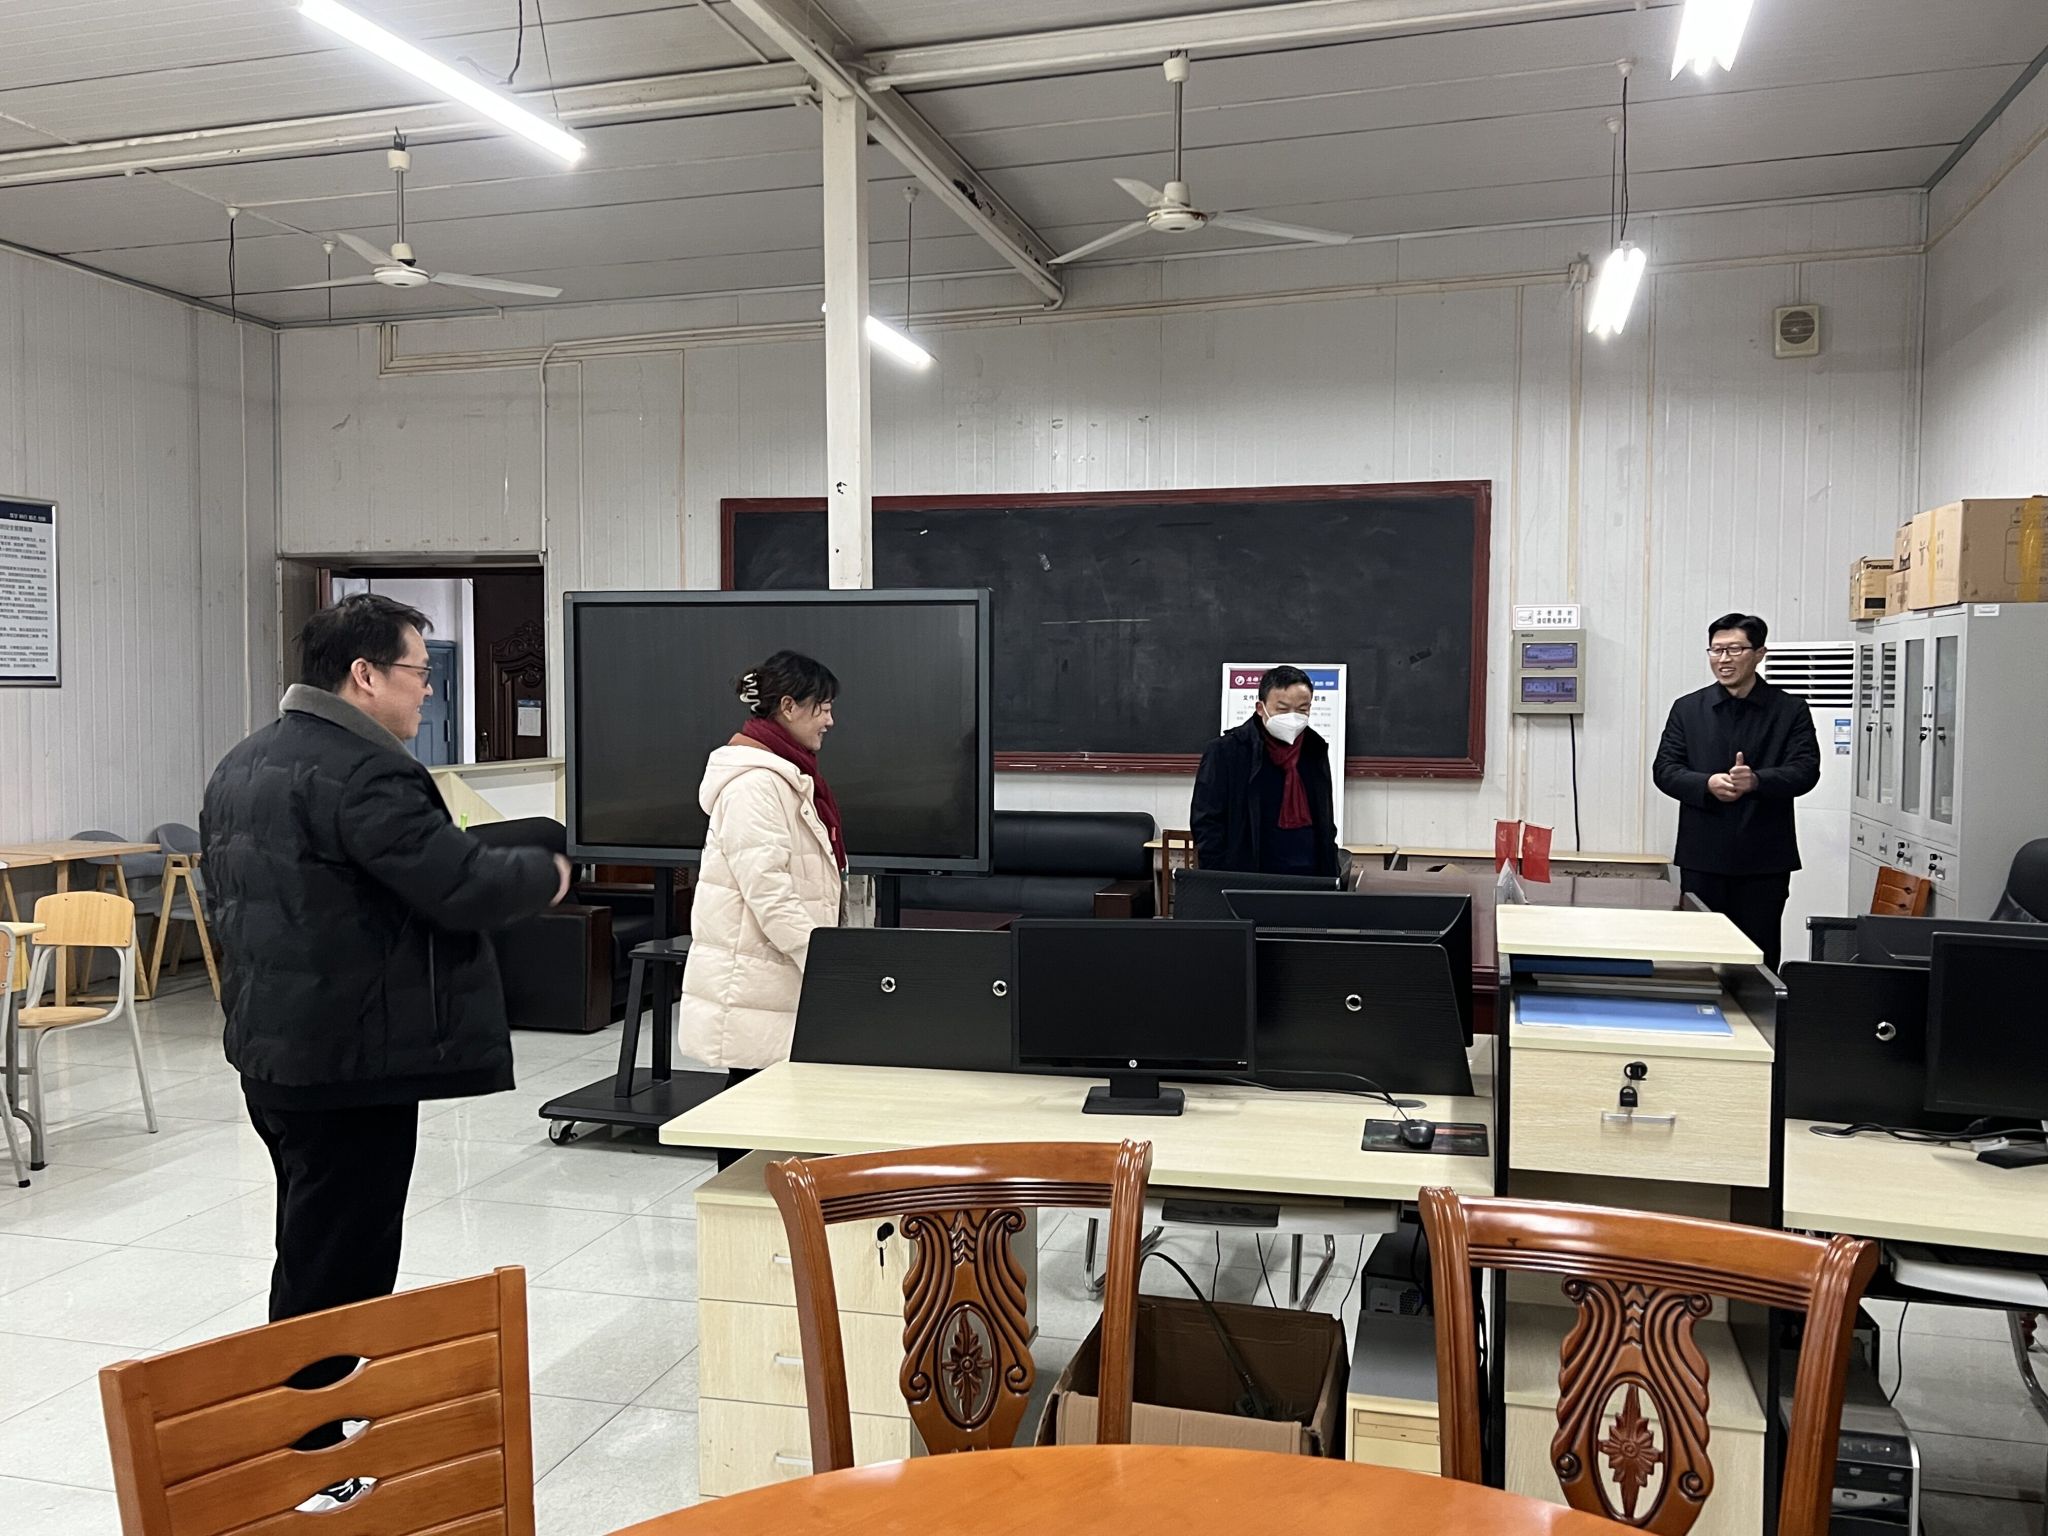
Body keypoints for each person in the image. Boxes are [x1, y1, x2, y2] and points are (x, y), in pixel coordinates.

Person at [201, 594, 569, 1508]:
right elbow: (457, 886)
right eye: (418, 672)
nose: (425, 690)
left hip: (275, 1052)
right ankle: (313, 1458)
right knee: (342, 1265)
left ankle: (299, 1425)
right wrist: (549, 873)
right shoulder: (364, 771)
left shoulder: (246, 761)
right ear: (364, 676)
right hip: (350, 1063)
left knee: (309, 1245)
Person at [679, 651, 846, 1112]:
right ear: (788, 707)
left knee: (770, 1108)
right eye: (823, 707)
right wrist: (825, 960)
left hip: (773, 974)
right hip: (757, 978)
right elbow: (770, 892)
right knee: (751, 1110)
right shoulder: (754, 784)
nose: (830, 720)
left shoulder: (786, 774)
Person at [1652, 612, 1820, 971]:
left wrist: (1756, 781)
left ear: (1759, 653)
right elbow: (1665, 770)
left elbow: (1806, 771)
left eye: (1734, 650)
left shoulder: (1789, 709)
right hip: (1702, 856)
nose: (1723, 660)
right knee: (1700, 957)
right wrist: (1706, 784)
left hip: (1764, 860)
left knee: (1757, 957)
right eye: (1716, 650)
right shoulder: (1688, 708)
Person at [1189, 664, 1342, 877]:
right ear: (1261, 708)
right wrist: (1219, 874)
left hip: (1310, 873)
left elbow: (1325, 816)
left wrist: (1331, 870)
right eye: (1282, 709)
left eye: (1302, 709)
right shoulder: (1227, 751)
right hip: (1248, 875)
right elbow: (1206, 821)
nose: (1293, 717)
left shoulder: (1314, 749)